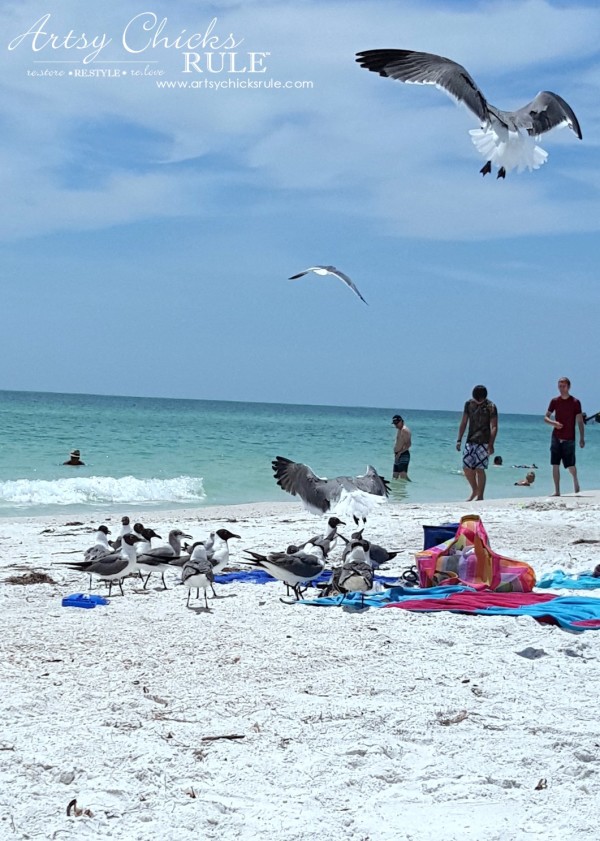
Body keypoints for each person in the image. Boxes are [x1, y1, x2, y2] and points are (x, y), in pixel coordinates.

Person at [456, 385, 498, 501]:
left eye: (481, 400)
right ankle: (475, 490)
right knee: (466, 467)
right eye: (477, 399)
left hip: (484, 441)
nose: (478, 402)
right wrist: (459, 439)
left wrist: (491, 444)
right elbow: (464, 422)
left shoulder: (491, 406)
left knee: (480, 469)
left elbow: (494, 426)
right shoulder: (469, 404)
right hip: (471, 440)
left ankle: (480, 496)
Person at [544, 377, 584, 496]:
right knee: (555, 464)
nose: (561, 389)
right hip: (556, 436)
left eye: (563, 386)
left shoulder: (575, 402)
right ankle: (557, 491)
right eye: (559, 386)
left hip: (569, 438)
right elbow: (546, 417)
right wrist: (554, 423)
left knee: (570, 465)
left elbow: (580, 421)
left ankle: (575, 480)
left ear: (568, 387)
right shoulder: (554, 401)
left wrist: (582, 438)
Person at [391, 414, 412, 480]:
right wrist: (397, 453)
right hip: (397, 455)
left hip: (403, 454)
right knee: (395, 476)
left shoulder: (404, 430)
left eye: (397, 423)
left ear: (401, 421)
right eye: (394, 424)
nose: (395, 425)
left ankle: (413, 486)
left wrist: (400, 453)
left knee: (403, 476)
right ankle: (396, 490)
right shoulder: (399, 429)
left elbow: (408, 444)